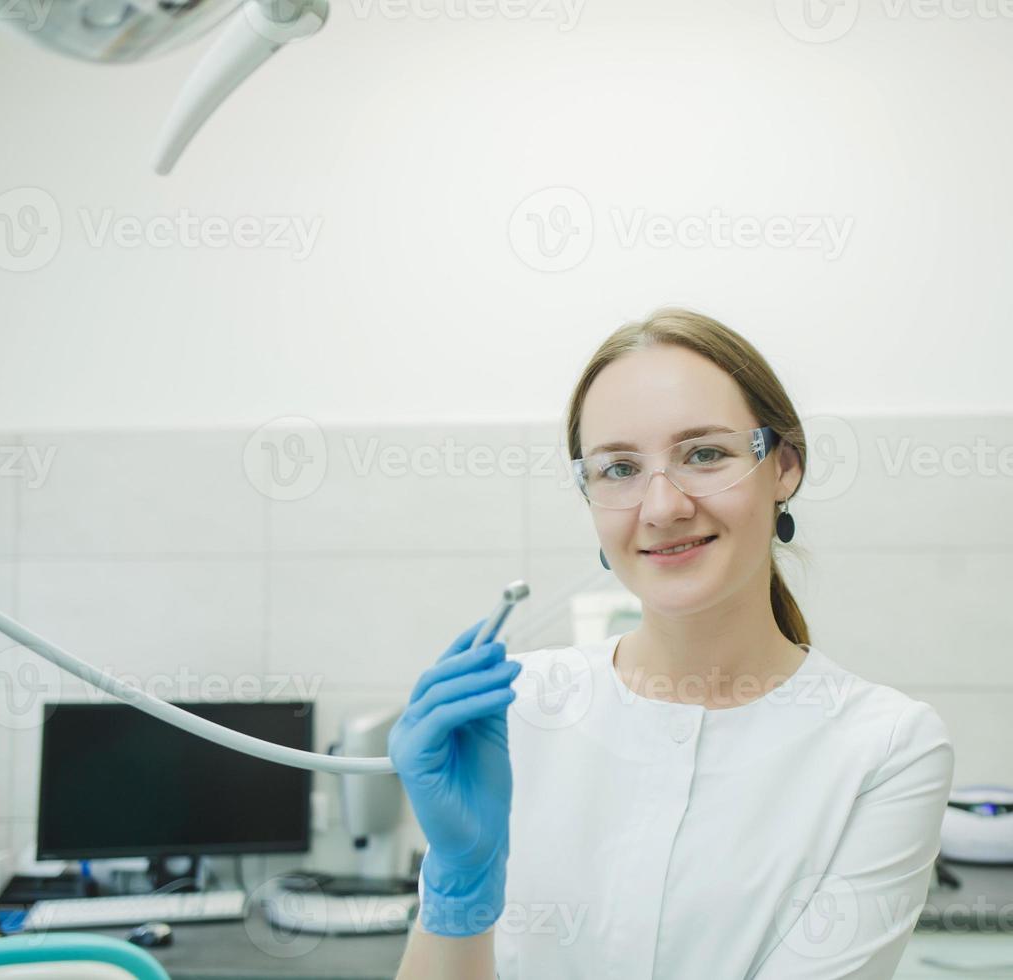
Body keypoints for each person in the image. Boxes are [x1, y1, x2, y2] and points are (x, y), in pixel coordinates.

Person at [390, 307, 955, 979]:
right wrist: (459, 887)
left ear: (784, 467)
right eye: (618, 469)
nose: (661, 507)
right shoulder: (514, 710)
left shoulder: (884, 749)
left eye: (704, 454)